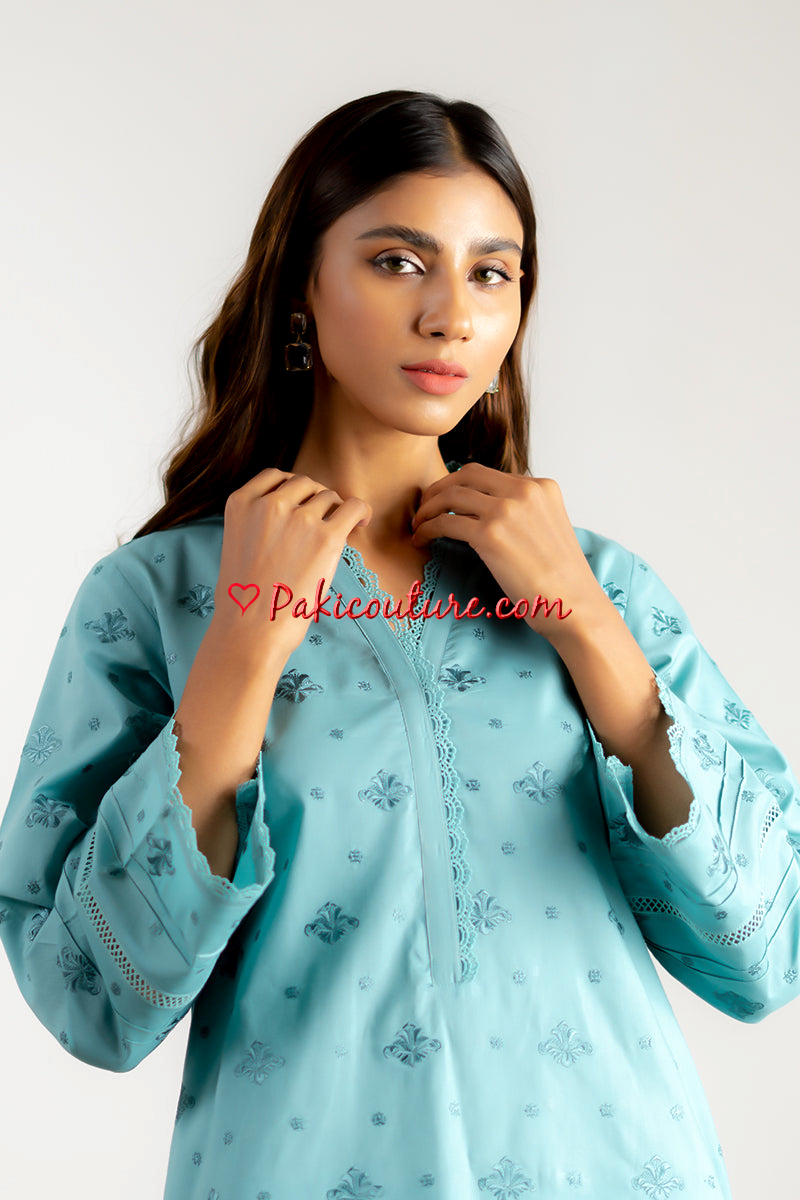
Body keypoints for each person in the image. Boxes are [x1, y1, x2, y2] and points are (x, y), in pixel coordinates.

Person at [1, 88, 798, 1200]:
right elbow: (89, 999)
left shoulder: (599, 583)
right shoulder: (156, 599)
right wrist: (241, 653)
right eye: (397, 262)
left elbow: (764, 954)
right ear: (300, 289)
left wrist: (585, 626)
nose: (450, 316)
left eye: (491, 273)